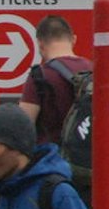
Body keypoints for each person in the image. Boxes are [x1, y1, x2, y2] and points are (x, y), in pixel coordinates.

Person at [18, 15, 91, 148]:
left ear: (40, 43)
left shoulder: (40, 75)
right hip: (89, 161)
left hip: (53, 161)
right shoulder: (95, 71)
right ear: (74, 39)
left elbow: (23, 127)